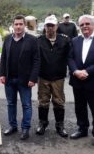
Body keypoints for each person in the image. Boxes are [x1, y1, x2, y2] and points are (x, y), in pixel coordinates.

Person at [0, 15, 40, 140]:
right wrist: (2, 74)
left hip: (25, 80)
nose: (18, 26)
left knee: (26, 105)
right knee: (11, 104)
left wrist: (33, 78)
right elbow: (3, 58)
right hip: (9, 79)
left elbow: (37, 61)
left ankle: (25, 128)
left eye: (20, 24)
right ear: (13, 25)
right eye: (16, 24)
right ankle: (13, 126)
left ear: (24, 25)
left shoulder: (32, 40)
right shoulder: (7, 39)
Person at [36, 15, 70, 137]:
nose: (50, 28)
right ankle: (42, 123)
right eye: (48, 26)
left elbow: (69, 57)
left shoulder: (65, 40)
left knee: (59, 102)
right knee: (43, 101)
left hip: (58, 78)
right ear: (44, 27)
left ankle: (60, 125)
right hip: (43, 77)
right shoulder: (39, 40)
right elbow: (35, 59)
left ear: (57, 26)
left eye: (52, 25)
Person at [68, 14, 94, 142]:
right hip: (77, 81)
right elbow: (70, 58)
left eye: (87, 23)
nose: (84, 26)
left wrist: (86, 71)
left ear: (93, 25)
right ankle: (82, 129)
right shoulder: (75, 41)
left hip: (92, 81)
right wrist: (75, 71)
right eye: (82, 24)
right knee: (80, 107)